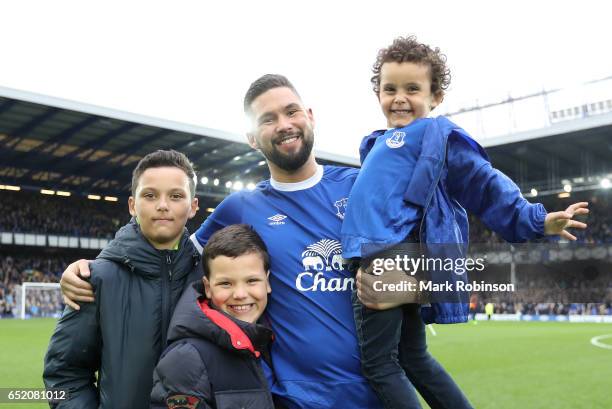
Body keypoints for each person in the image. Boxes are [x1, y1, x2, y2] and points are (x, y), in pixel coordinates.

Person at [60, 74, 383, 409]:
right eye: (267, 119)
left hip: (376, 392)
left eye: (291, 111)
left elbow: (432, 268)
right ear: (252, 138)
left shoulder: (360, 185)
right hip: (287, 400)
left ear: (310, 116)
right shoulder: (240, 207)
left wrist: (399, 282)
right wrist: (94, 268)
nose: (284, 124)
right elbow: (170, 254)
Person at [340, 35, 589, 409]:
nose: (399, 97)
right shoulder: (379, 142)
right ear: (377, 93)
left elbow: (482, 181)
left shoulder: (436, 135)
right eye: (389, 88)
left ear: (435, 96)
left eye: (413, 88)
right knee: (413, 358)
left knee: (379, 365)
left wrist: (534, 219)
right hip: (387, 252)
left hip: (386, 254)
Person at [43, 150, 201, 408]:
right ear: (132, 205)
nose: (163, 205)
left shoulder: (210, 278)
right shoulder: (97, 279)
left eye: (176, 196)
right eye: (150, 195)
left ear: (193, 206)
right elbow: (64, 373)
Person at [150, 224, 276, 409]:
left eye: (252, 281)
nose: (240, 294)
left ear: (267, 282)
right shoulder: (185, 359)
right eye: (226, 283)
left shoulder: (272, 342)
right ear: (208, 288)